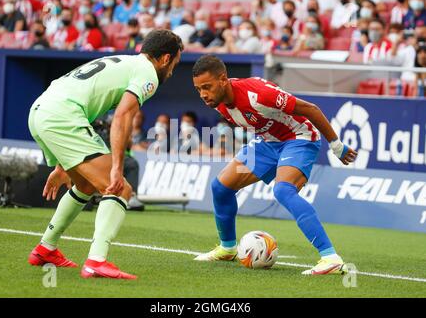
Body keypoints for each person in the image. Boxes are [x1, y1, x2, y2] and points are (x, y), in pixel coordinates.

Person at [27, 29, 183, 280]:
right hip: (62, 116)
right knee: (120, 189)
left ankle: (46, 248)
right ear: (165, 59)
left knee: (86, 183)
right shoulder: (148, 74)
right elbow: (122, 117)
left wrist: (61, 166)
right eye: (174, 64)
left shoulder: (125, 61)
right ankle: (96, 261)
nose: (172, 71)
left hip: (40, 110)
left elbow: (86, 97)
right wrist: (116, 169)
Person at [191, 55, 357, 275]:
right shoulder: (218, 102)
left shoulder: (259, 94)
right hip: (267, 143)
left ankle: (330, 258)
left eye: (207, 87)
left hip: (299, 139)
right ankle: (228, 248)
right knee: (220, 187)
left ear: (223, 79)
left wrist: (336, 146)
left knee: (283, 190)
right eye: (198, 89)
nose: (203, 94)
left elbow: (311, 109)